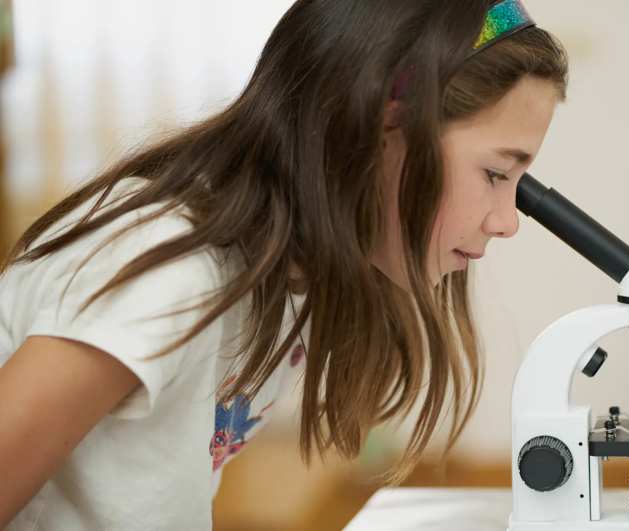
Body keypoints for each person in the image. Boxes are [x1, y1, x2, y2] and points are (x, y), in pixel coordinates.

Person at [0, 0, 568, 528]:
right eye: (496, 174)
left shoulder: (287, 270)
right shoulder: (168, 274)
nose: (507, 221)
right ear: (383, 128)